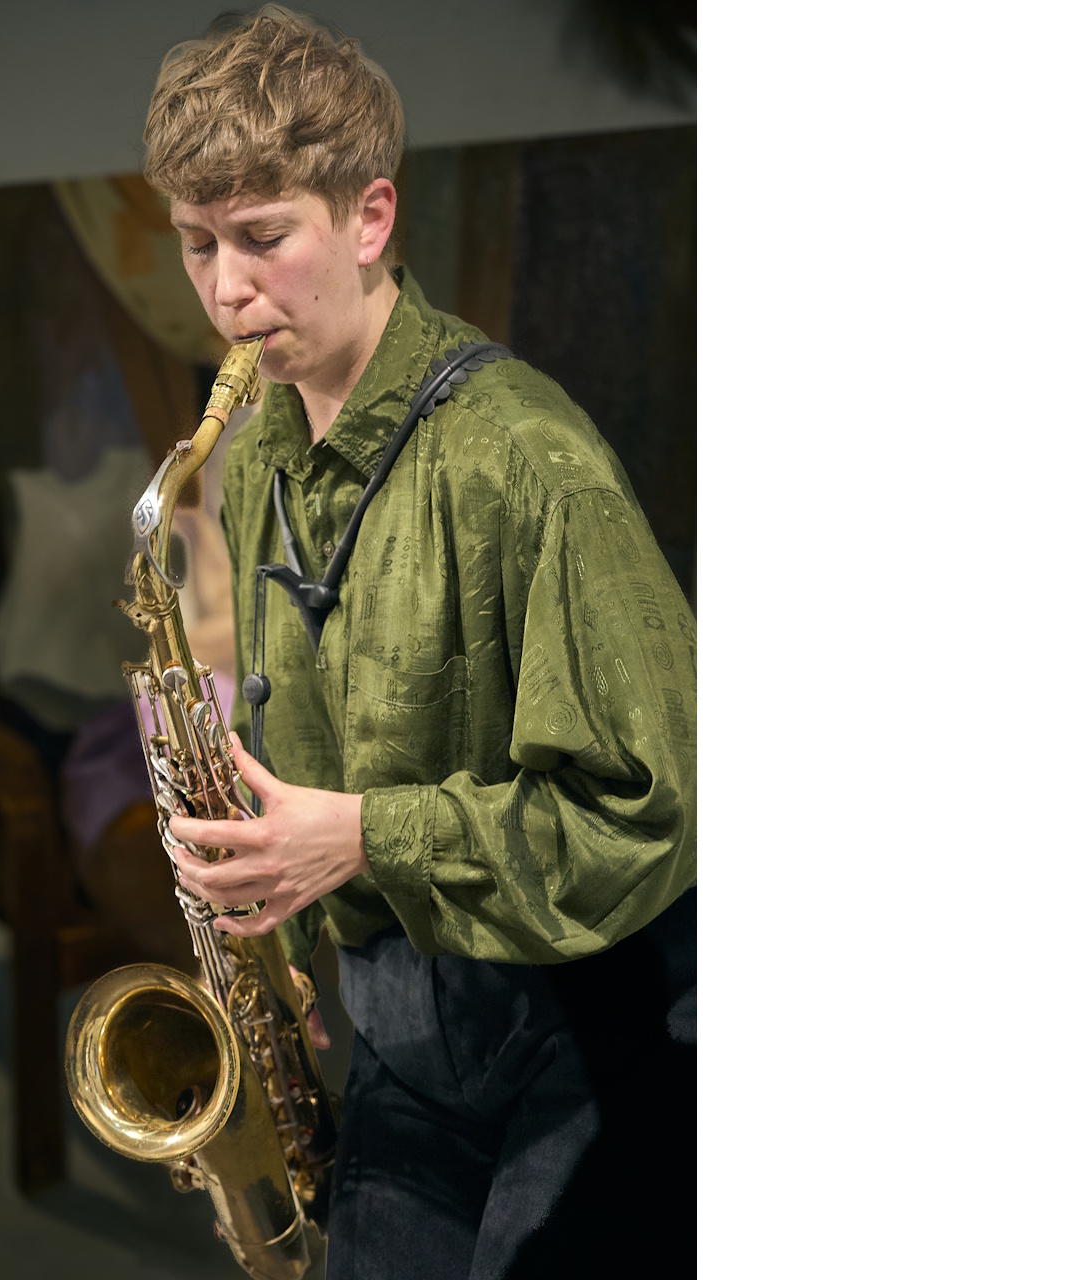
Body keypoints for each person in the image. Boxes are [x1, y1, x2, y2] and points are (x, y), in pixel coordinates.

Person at [146, 8, 697, 1277]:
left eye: (262, 237)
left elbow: (655, 811)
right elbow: (300, 763)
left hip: (583, 1034)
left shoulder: (524, 456)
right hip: (399, 1034)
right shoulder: (258, 457)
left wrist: (364, 836)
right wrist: (272, 922)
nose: (225, 289)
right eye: (196, 242)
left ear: (371, 218)